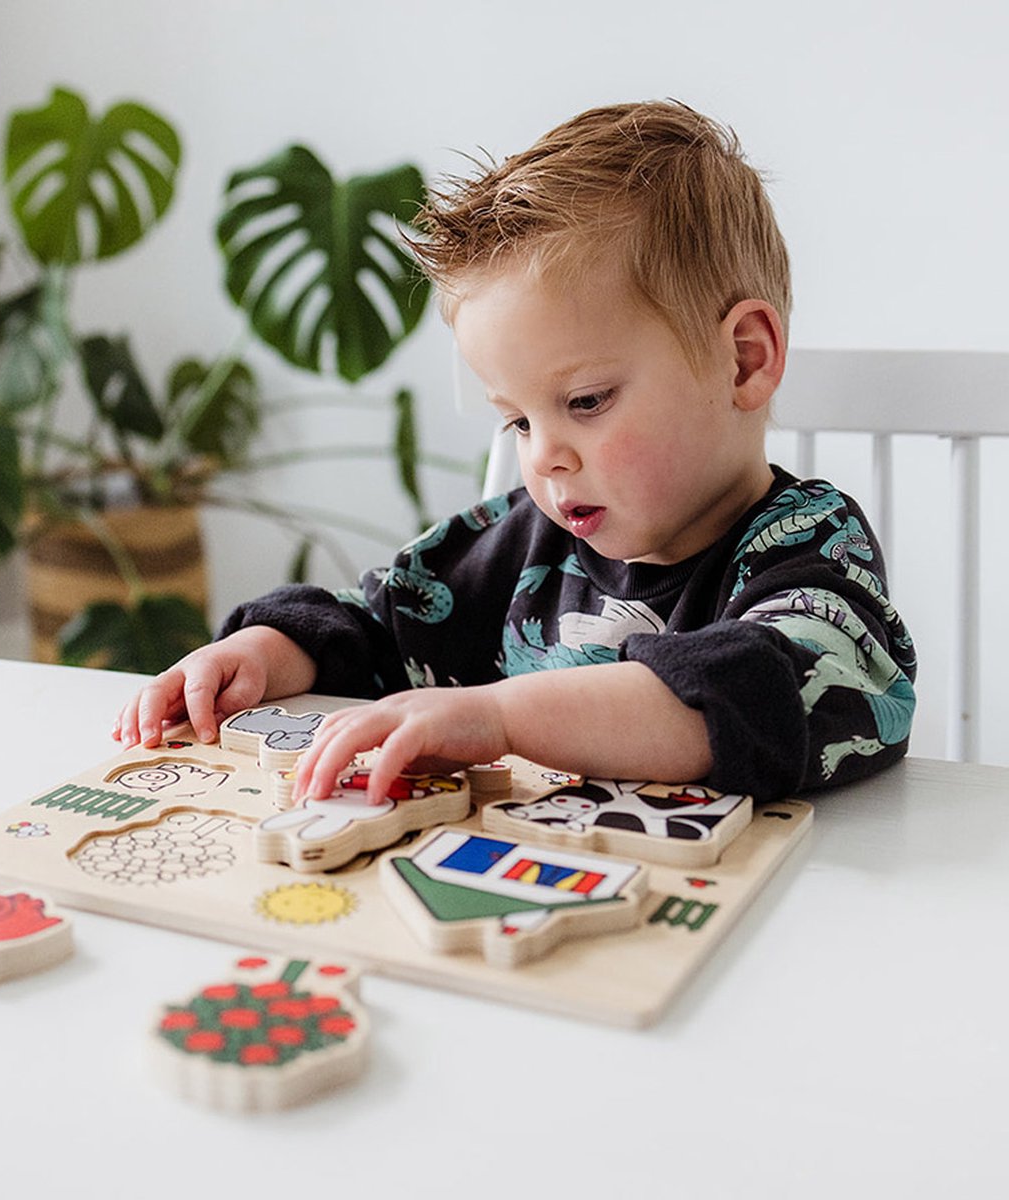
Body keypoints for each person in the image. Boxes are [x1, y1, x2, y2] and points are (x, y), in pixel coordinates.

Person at [114, 100, 916, 807]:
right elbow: (370, 628)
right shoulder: (523, 542)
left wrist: (500, 716)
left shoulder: (808, 547)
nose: (546, 460)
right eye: (518, 423)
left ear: (743, 359)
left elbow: (762, 690)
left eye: (586, 403)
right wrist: (258, 652)